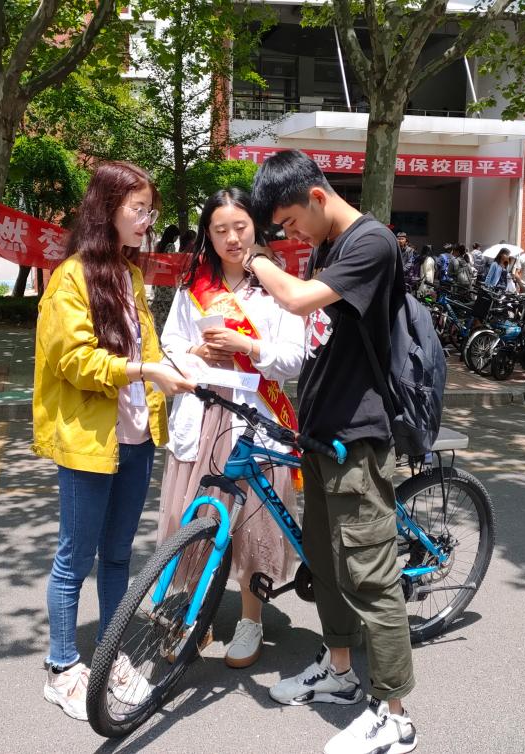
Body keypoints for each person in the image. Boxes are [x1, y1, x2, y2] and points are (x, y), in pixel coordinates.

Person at [246, 149, 418, 754]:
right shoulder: (328, 247)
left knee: (371, 575)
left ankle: (395, 717)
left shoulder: (372, 243)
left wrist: (255, 257)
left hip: (358, 438)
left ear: (317, 197)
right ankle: (340, 674)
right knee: (325, 564)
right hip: (321, 436)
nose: (291, 235)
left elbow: (297, 301)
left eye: (291, 222)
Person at [33, 161, 195, 721]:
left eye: (150, 210)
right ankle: (61, 667)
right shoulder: (71, 277)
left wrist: (178, 364)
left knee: (119, 554)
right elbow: (76, 362)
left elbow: (145, 347)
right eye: (139, 209)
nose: (148, 221)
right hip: (89, 439)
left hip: (136, 437)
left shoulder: (129, 275)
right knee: (75, 557)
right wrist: (149, 372)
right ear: (108, 209)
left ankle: (108, 655)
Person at [157, 188, 305, 669]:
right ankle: (193, 614)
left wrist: (247, 346)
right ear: (208, 234)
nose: (231, 238)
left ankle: (251, 619)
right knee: (195, 519)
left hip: (256, 417)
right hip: (204, 413)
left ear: (256, 226)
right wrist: (197, 351)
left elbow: (293, 359)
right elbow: (170, 345)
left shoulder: (279, 285)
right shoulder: (193, 285)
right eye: (219, 230)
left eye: (239, 227)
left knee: (255, 525)